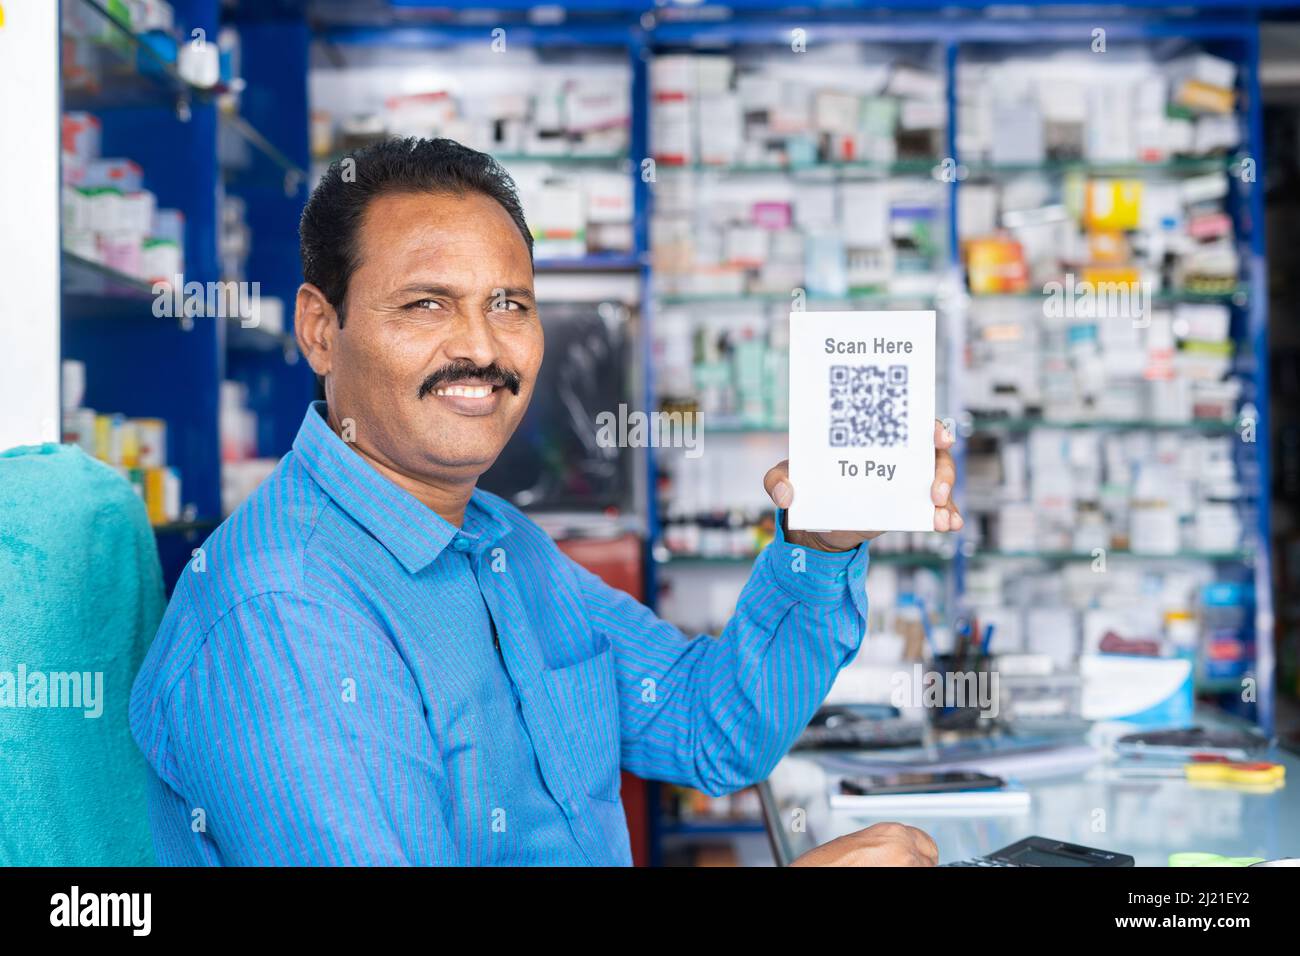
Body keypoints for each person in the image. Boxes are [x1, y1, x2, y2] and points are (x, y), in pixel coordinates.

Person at [129, 137, 962, 866]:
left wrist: (818, 544)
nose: (481, 348)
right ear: (320, 328)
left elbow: (713, 729)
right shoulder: (285, 614)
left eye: (510, 305)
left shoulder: (497, 539)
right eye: (426, 304)